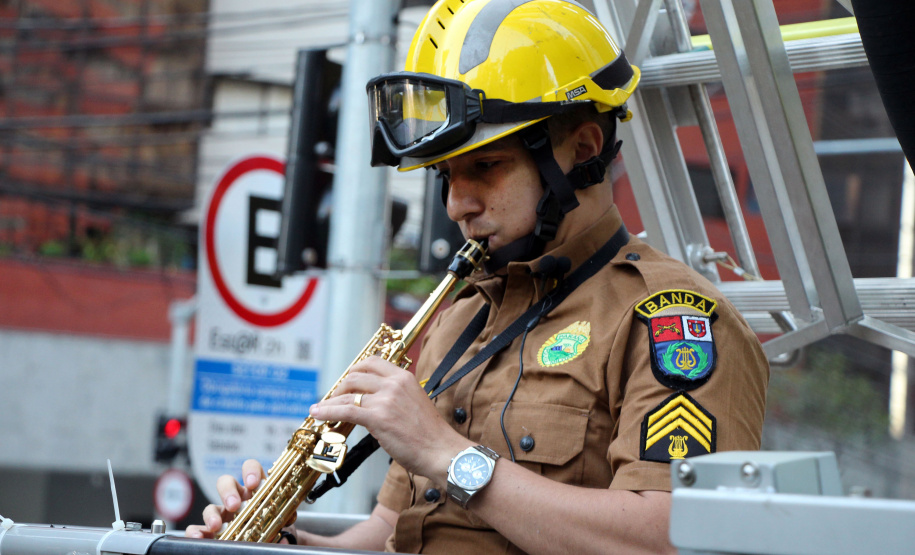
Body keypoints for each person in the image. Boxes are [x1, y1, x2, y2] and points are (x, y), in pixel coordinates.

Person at [187, 1, 769, 553]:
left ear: (583, 149)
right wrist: (281, 542)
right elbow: (392, 531)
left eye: (485, 166)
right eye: (446, 175)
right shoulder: (459, 320)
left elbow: (672, 538)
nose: (456, 205)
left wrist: (447, 454)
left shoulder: (673, 321)